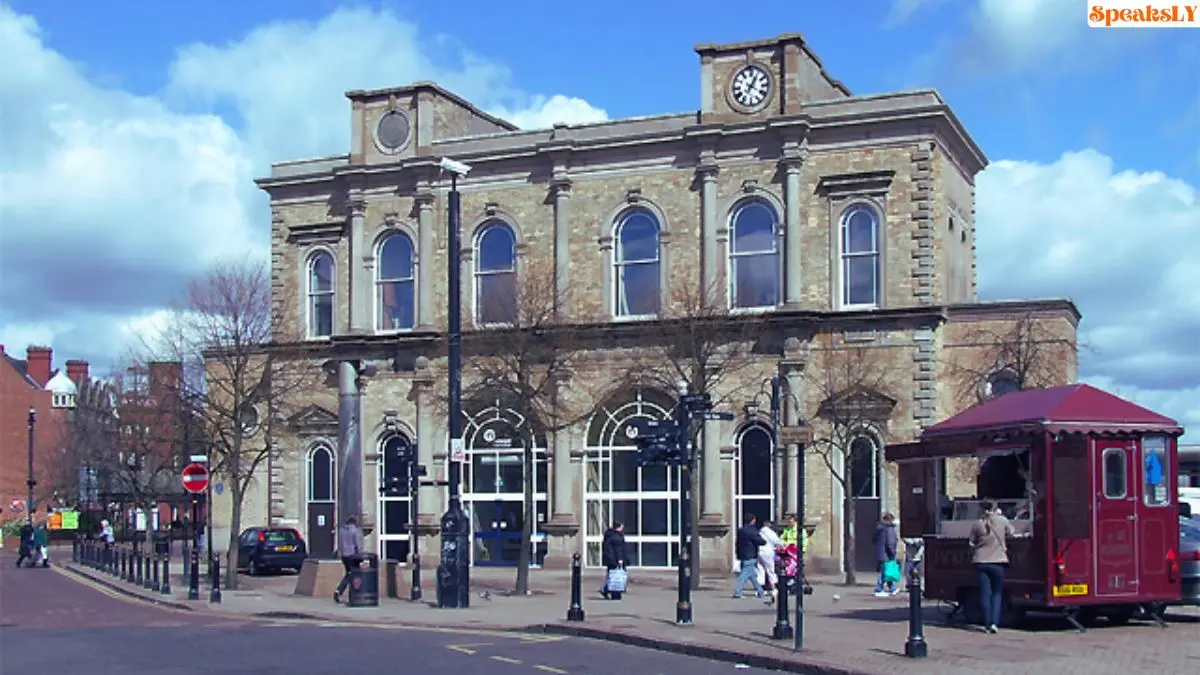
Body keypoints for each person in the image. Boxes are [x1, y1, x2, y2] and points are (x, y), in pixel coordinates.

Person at [969, 499, 1015, 634]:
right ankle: (994, 623)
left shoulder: (977, 524)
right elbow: (1012, 532)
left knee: (985, 593)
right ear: (996, 508)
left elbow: (971, 543)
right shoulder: (1002, 520)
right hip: (998, 561)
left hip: (980, 561)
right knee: (997, 593)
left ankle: (987, 624)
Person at [732, 514, 767, 600]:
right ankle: (737, 593)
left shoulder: (741, 530)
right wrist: (764, 541)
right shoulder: (752, 530)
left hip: (743, 555)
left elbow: (737, 543)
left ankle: (760, 591)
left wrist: (738, 554)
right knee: (743, 576)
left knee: (752, 575)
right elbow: (759, 540)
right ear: (753, 520)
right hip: (750, 555)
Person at [333, 516, 364, 603]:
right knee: (353, 575)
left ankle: (345, 592)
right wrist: (361, 556)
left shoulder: (342, 530)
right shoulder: (356, 530)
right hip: (353, 556)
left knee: (349, 574)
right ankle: (345, 592)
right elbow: (358, 544)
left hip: (344, 556)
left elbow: (340, 544)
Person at [873, 512, 900, 597]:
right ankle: (878, 589)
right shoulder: (889, 529)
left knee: (887, 571)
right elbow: (890, 542)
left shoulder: (879, 528)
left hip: (881, 553)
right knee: (884, 572)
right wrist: (893, 552)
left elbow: (874, 539)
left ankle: (892, 588)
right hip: (886, 554)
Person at [757, 520, 782, 605]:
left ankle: (760, 589)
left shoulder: (760, 532)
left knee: (760, 570)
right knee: (770, 571)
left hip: (759, 552)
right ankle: (773, 589)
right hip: (767, 553)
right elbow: (778, 542)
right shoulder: (770, 533)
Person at [600, 522, 627, 599]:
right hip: (615, 560)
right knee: (617, 576)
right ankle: (612, 592)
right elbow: (618, 549)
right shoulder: (617, 536)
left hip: (610, 559)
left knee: (612, 575)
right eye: (622, 527)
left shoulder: (609, 534)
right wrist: (620, 559)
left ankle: (607, 590)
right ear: (619, 527)